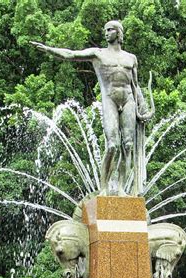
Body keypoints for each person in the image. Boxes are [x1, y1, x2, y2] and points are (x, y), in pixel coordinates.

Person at [31, 21, 153, 196]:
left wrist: (144, 106)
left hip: (129, 100)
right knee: (112, 146)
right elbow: (70, 55)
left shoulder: (131, 58)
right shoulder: (98, 54)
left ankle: (120, 189)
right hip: (109, 99)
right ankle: (104, 188)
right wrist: (48, 49)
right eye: (105, 30)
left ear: (118, 33)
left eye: (110, 30)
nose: (106, 33)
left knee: (127, 145)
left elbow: (135, 85)